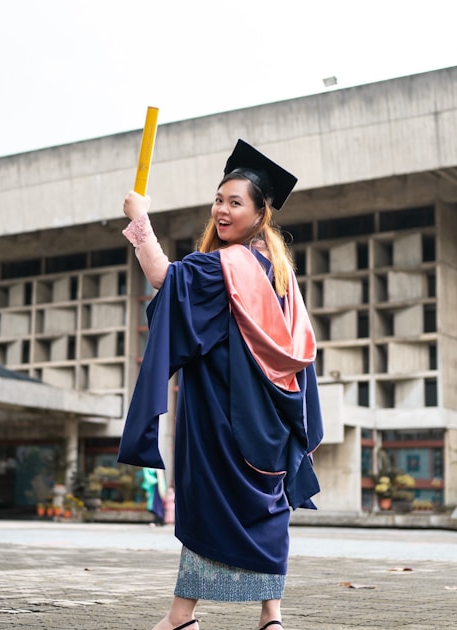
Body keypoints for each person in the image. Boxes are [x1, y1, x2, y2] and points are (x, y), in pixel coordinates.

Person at [118, 139, 324, 630]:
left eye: (236, 202)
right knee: (268, 508)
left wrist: (139, 219)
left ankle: (180, 618)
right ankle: (270, 617)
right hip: (273, 421)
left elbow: (160, 276)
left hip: (222, 418)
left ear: (260, 215)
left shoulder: (222, 266)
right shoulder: (280, 276)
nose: (223, 209)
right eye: (219, 199)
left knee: (209, 506)